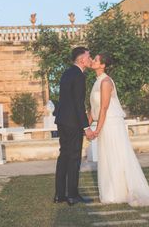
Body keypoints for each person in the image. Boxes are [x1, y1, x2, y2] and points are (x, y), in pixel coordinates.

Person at [88, 53, 149, 206]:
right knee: (107, 155)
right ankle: (112, 192)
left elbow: (104, 107)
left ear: (102, 65)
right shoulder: (97, 82)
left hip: (111, 123)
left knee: (116, 154)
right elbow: (93, 108)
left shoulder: (106, 82)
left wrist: (97, 129)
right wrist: (86, 125)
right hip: (104, 122)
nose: (93, 61)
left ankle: (118, 193)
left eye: (96, 60)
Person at [54, 46, 96, 206]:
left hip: (62, 121)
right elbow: (78, 103)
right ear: (81, 60)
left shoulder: (66, 73)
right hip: (72, 123)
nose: (90, 59)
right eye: (89, 56)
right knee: (73, 158)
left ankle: (59, 194)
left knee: (63, 156)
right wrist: (86, 127)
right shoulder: (79, 75)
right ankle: (72, 195)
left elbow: (65, 100)